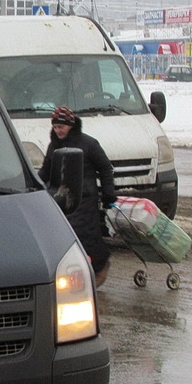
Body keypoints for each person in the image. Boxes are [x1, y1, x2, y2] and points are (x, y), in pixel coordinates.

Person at [39, 106, 117, 287]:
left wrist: (108, 194)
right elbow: (45, 171)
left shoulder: (89, 144)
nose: (58, 130)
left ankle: (100, 266)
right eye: (55, 127)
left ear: (71, 126)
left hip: (85, 199)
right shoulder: (54, 146)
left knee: (86, 236)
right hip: (60, 198)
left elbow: (105, 168)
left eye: (62, 127)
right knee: (64, 238)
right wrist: (33, 185)